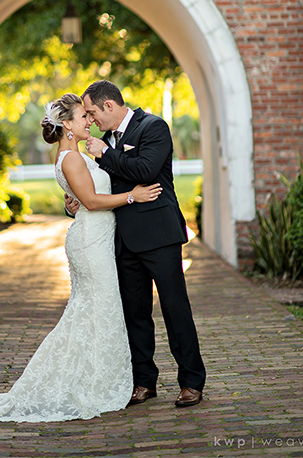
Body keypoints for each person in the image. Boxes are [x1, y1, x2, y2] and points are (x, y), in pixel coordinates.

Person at [0, 93, 163, 422]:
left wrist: (76, 202)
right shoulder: (71, 158)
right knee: (98, 309)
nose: (89, 120)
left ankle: (94, 378)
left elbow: (81, 199)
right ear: (67, 125)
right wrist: (132, 196)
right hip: (90, 243)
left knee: (94, 312)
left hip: (96, 238)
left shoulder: (73, 155)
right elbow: (92, 202)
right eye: (83, 117)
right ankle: (90, 384)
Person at [69, 80, 206, 407]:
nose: (91, 120)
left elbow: (146, 170)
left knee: (175, 309)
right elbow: (98, 188)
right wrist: (74, 203)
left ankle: (191, 381)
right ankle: (144, 381)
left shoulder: (153, 127)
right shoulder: (104, 141)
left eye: (92, 112)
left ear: (109, 105)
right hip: (122, 239)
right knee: (135, 313)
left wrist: (106, 154)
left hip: (159, 235)